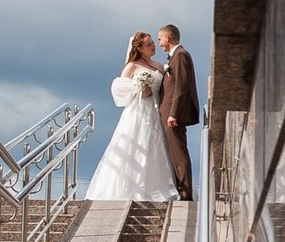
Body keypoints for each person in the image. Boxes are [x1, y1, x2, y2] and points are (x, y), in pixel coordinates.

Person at [84, 32, 177, 200]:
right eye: (148, 44)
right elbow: (119, 88)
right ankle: (132, 188)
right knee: (137, 142)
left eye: (153, 43)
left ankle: (156, 186)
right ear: (139, 48)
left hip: (158, 110)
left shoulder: (160, 66)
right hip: (140, 109)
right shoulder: (133, 66)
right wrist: (139, 87)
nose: (153, 46)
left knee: (156, 145)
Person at [157, 24, 200, 201]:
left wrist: (173, 113)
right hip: (168, 113)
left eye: (160, 39)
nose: (159, 43)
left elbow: (181, 87)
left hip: (173, 115)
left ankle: (186, 194)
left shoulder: (181, 55)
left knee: (179, 152)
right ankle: (180, 189)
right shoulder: (174, 57)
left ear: (168, 37)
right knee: (174, 153)